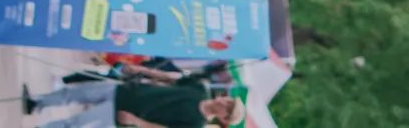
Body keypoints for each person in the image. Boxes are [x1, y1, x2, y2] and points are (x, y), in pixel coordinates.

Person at [23, 74, 246, 125]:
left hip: (127, 113)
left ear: (223, 117)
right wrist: (142, 71)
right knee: (73, 93)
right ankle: (37, 102)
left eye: (228, 108)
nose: (225, 102)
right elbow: (170, 80)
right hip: (130, 90)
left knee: (75, 123)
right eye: (229, 101)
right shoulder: (200, 88)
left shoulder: (195, 124)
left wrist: (136, 122)